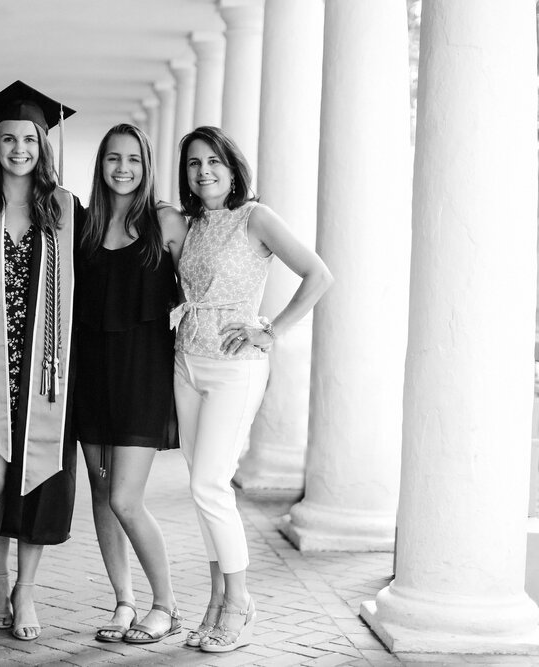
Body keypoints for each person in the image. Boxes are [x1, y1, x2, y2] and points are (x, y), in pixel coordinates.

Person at [171, 126, 333, 654]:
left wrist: (273, 329)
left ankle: (240, 602)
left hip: (235, 367)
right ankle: (217, 600)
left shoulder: (255, 217)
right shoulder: (192, 223)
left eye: (214, 161)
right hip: (186, 363)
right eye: (194, 164)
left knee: (210, 486)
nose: (204, 172)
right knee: (202, 487)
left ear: (232, 166)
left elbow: (317, 274)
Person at [0, 81, 85, 642]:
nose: (18, 149)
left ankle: (26, 588)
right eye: (8, 138)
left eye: (28, 138)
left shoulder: (67, 210)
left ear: (43, 146)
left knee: (36, 476)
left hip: (46, 369)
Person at [74, 123, 188, 645]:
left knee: (124, 497)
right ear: (101, 164)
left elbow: (202, 287)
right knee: (100, 492)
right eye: (113, 158)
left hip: (142, 373)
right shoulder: (86, 225)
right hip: (91, 373)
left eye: (133, 160)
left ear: (146, 166)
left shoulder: (165, 221)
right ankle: (123, 602)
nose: (123, 168)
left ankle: (165, 605)